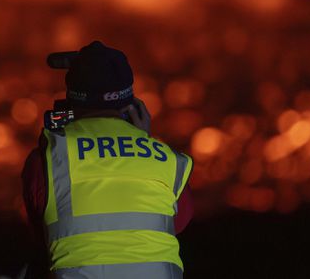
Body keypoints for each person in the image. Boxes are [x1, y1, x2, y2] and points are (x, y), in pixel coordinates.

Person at [21, 40, 194, 279]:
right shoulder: (168, 161)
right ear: (134, 107)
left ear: (71, 101)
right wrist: (142, 140)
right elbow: (174, 225)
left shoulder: (49, 159)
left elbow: (42, 237)